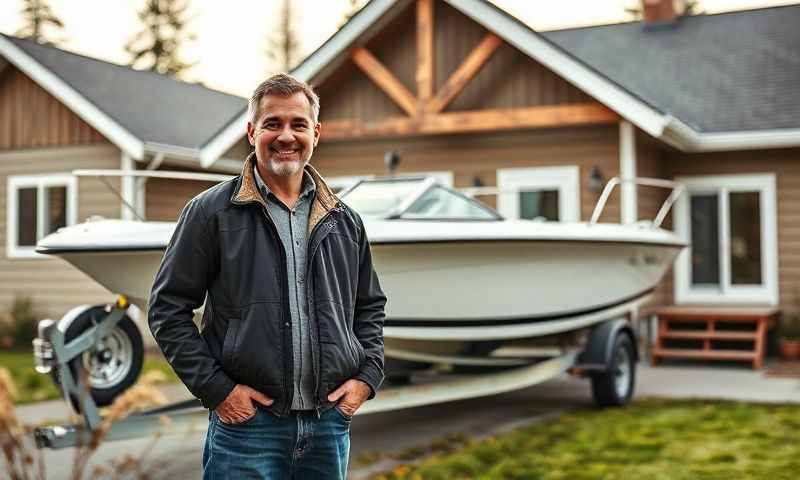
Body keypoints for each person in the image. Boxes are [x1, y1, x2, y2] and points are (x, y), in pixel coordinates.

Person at [148, 73, 386, 479]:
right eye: (273, 123)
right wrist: (218, 391)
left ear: (316, 132)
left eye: (298, 124)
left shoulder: (345, 221)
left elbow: (369, 307)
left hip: (328, 426)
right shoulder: (211, 213)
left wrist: (367, 376)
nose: (286, 136)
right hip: (247, 428)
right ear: (251, 131)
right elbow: (167, 309)